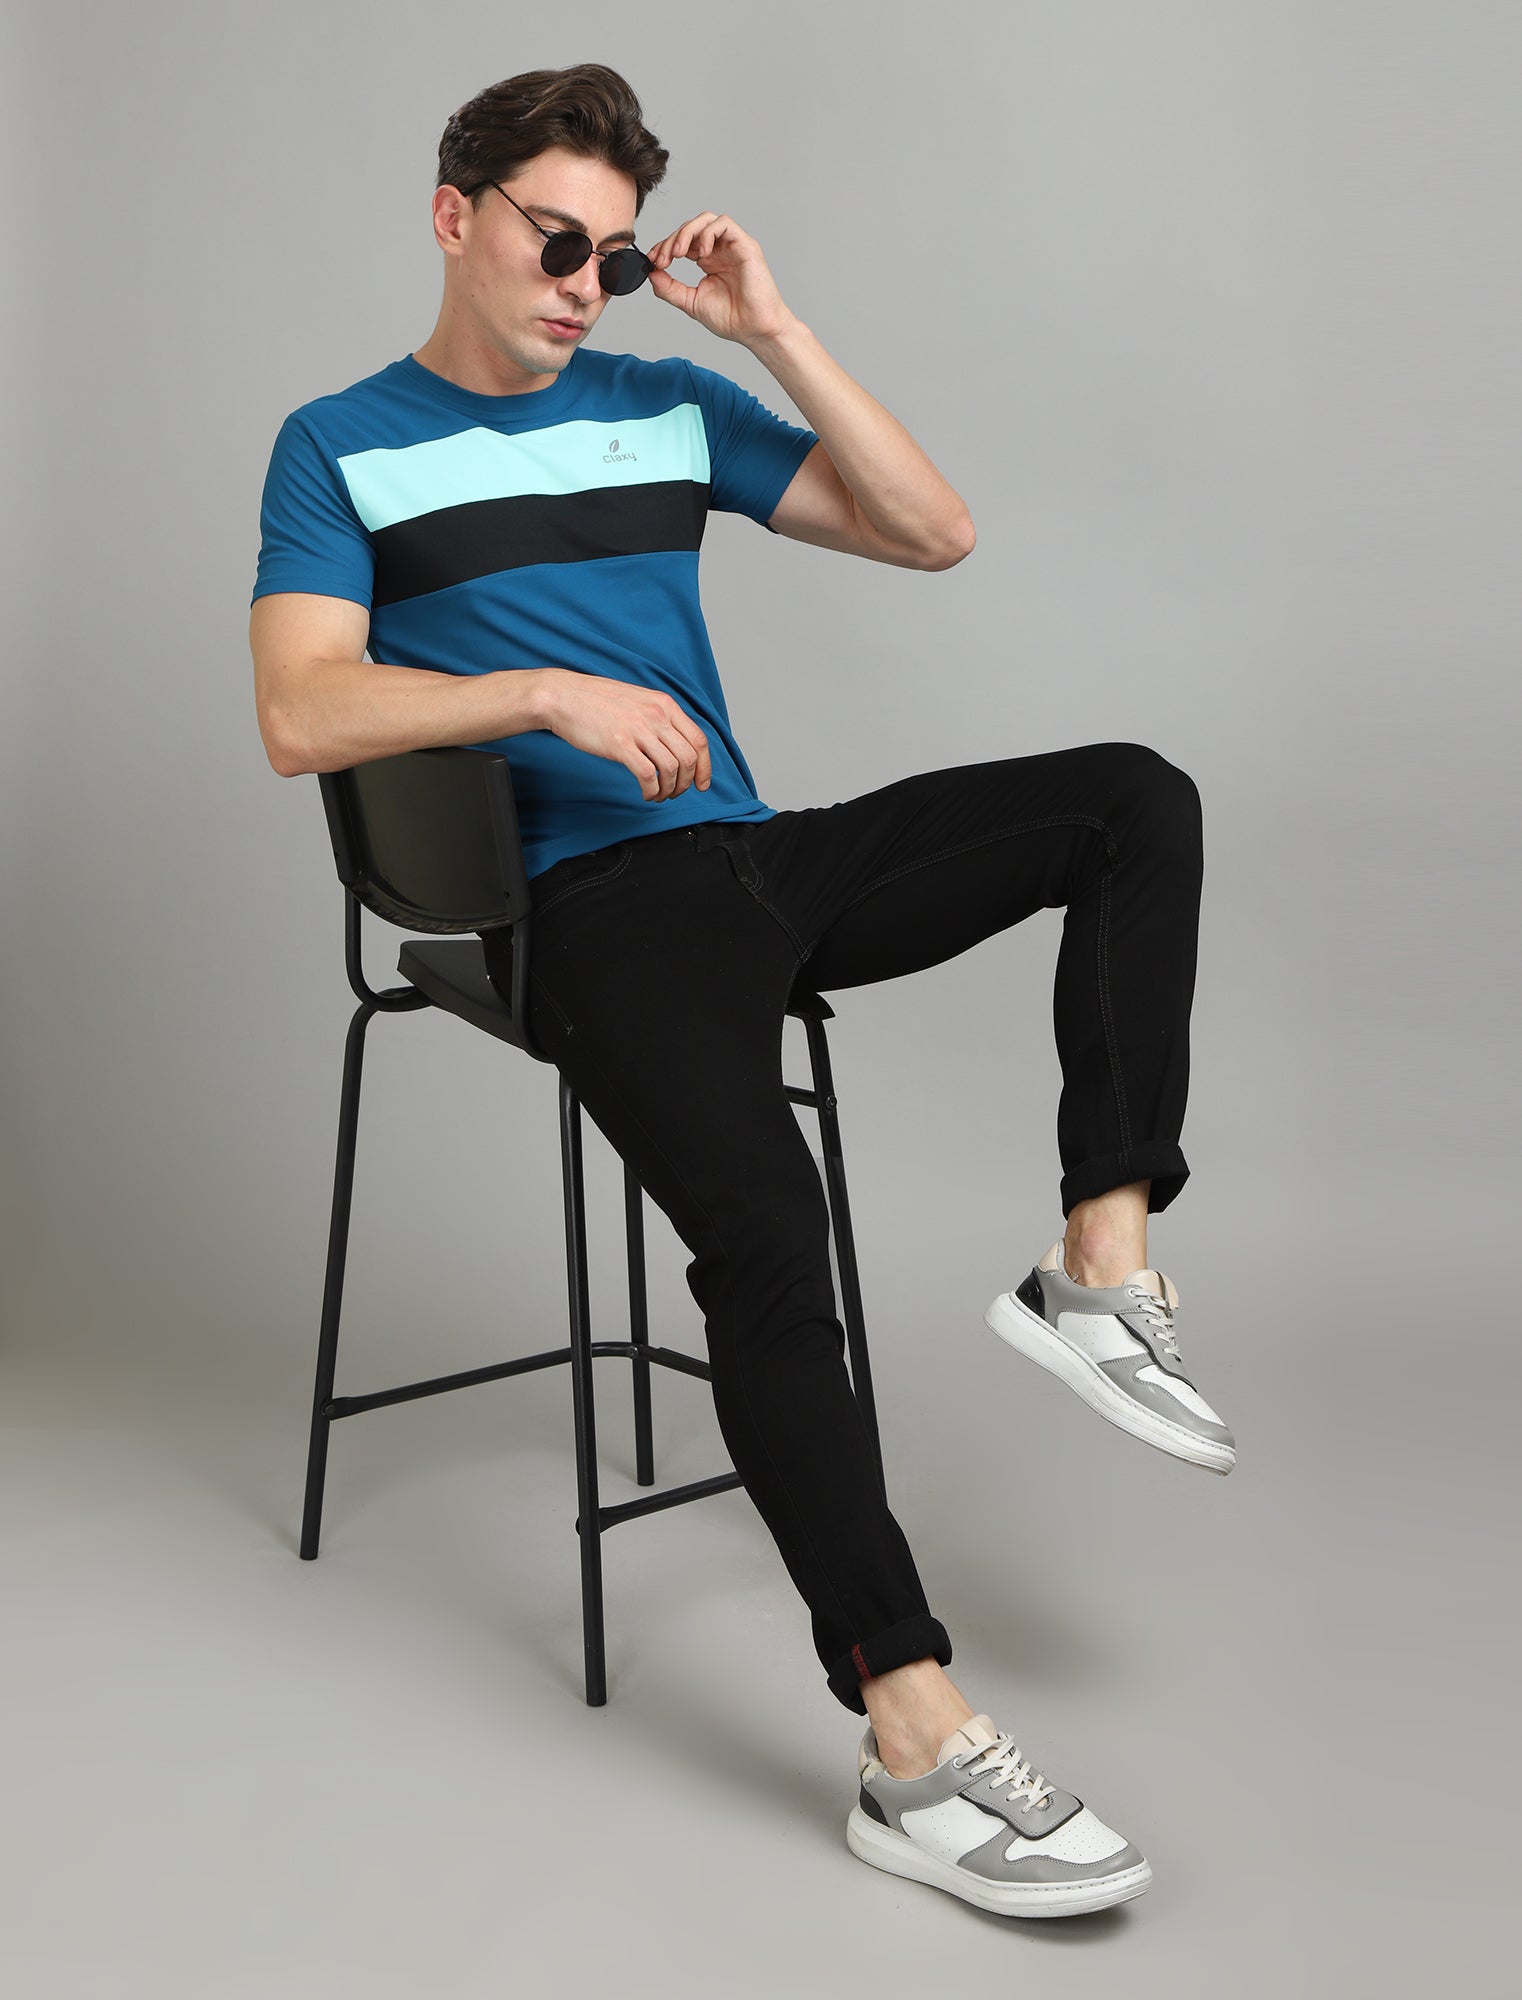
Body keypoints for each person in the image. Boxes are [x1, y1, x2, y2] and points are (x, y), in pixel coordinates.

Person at [249, 62, 1234, 1922]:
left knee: (1131, 798)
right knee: (773, 1249)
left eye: (613, 259)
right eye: (556, 243)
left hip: (752, 856)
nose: (584, 286)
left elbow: (932, 532)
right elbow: (300, 710)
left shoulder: (665, 403)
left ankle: (1098, 1260)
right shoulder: (337, 444)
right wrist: (541, 696)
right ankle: (913, 1738)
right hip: (574, 908)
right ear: (453, 216)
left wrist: (768, 330)